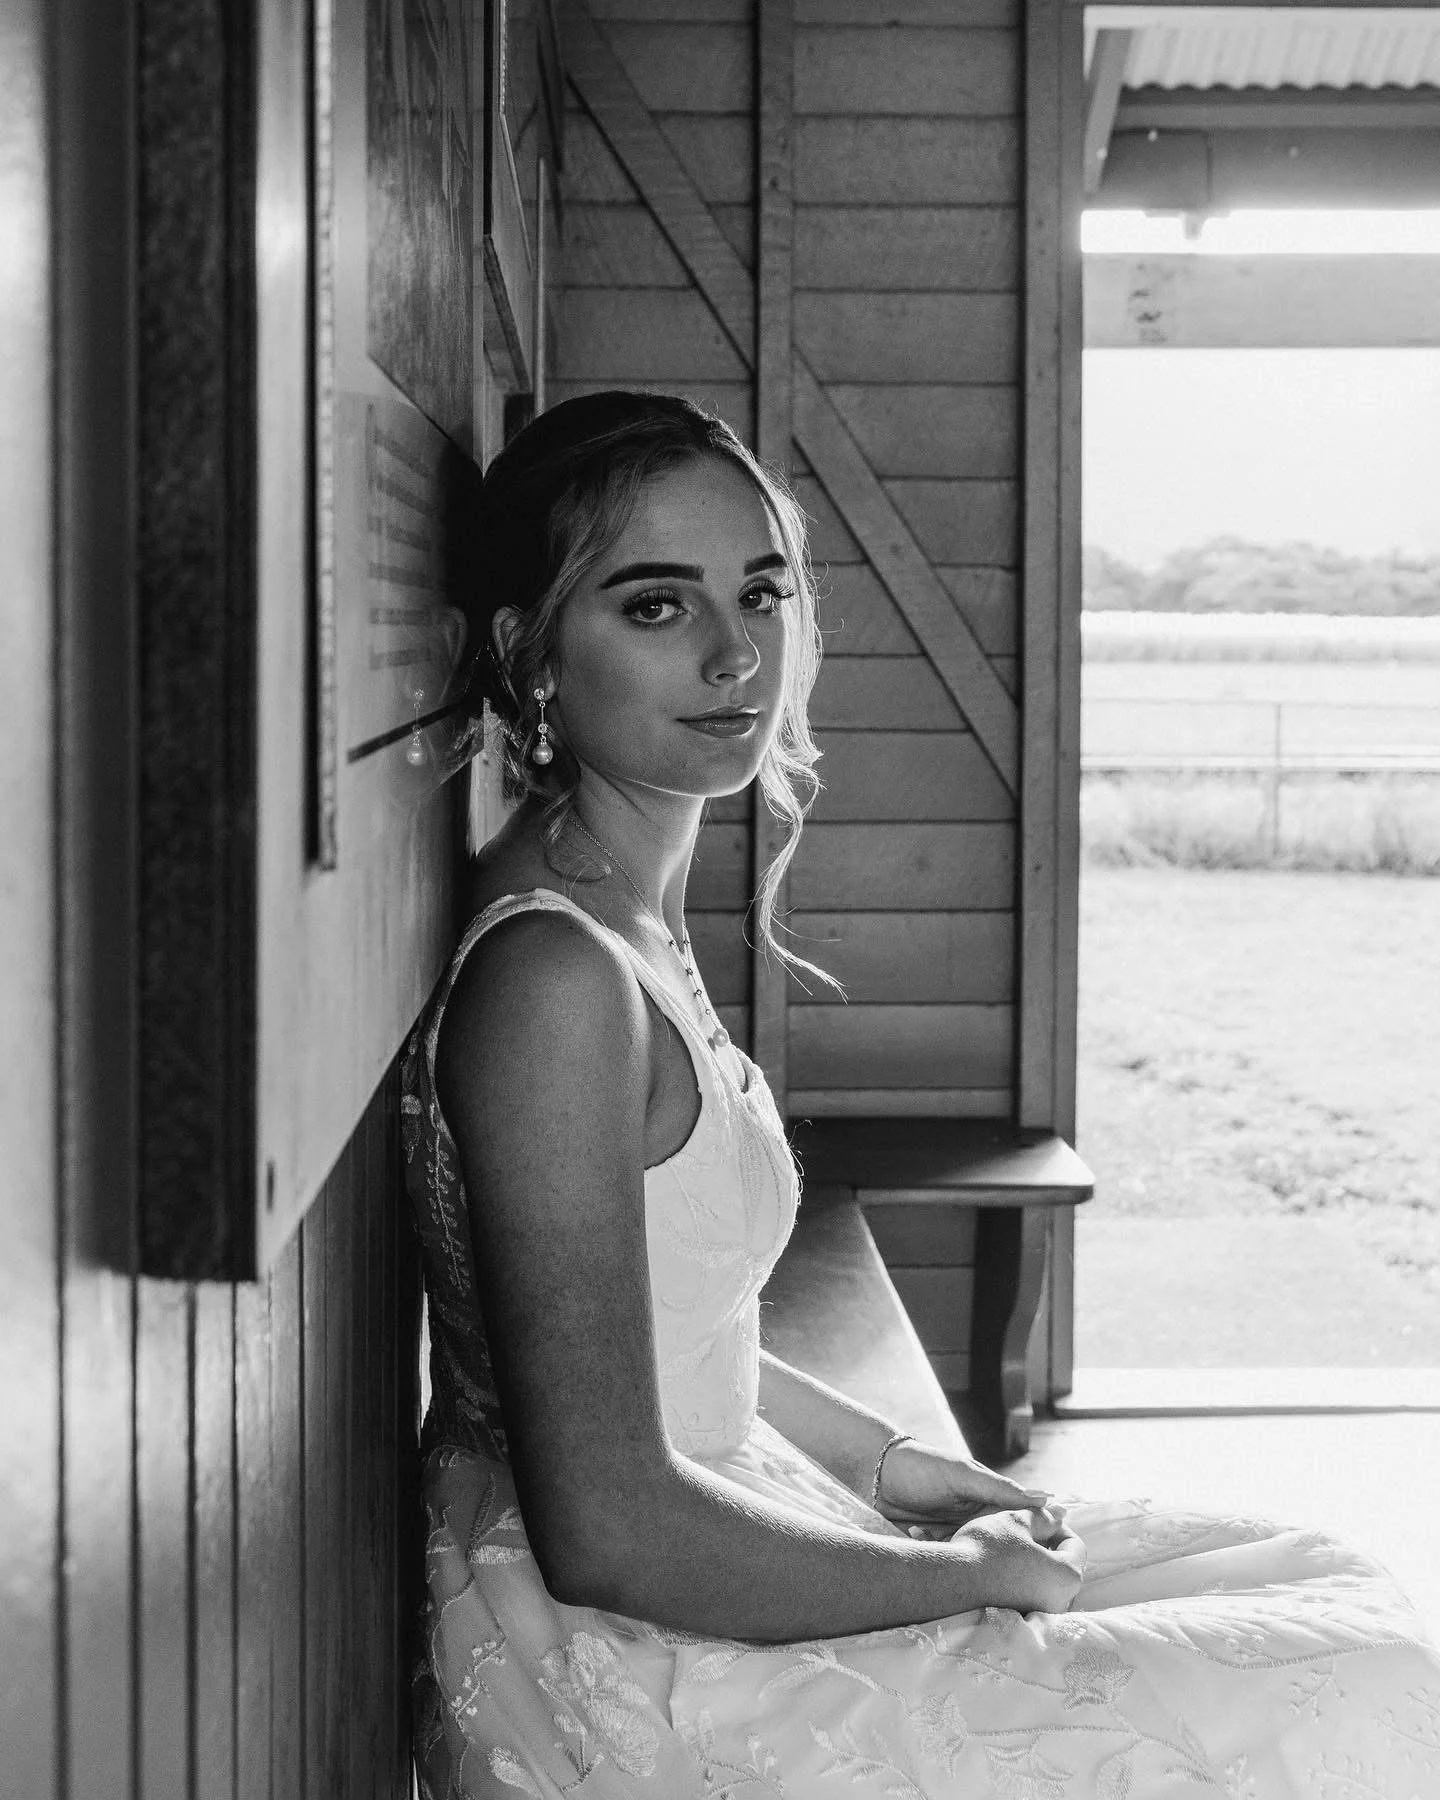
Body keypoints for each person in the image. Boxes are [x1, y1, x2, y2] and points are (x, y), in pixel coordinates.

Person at [401, 391, 1439, 1800]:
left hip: (720, 1507)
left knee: (1320, 1586)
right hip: (638, 1632)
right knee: (1353, 1687)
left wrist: (893, 1465)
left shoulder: (614, 910)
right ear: (529, 652)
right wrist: (941, 1580)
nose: (735, 655)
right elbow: (610, 1524)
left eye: (759, 593)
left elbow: (636, 1321)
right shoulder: (553, 983)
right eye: (655, 608)